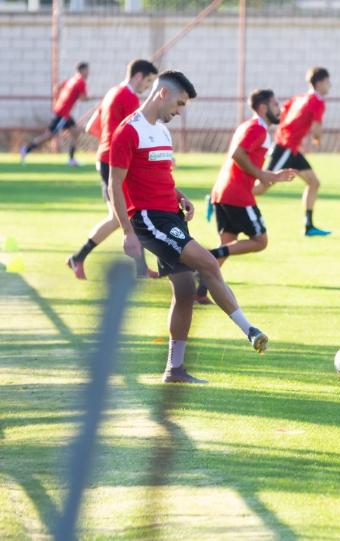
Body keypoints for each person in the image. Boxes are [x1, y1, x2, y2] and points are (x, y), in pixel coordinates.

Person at [108, 70, 269, 384]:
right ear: (163, 94)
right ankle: (250, 330)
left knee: (183, 291)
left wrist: (180, 196)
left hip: (171, 216)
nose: (179, 112)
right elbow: (115, 185)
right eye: (179, 104)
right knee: (208, 263)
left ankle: (174, 370)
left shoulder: (163, 133)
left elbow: (160, 176)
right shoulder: (128, 132)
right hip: (150, 220)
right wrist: (128, 232)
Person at [194, 89, 296, 304]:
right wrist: (263, 174)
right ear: (263, 108)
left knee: (229, 244)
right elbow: (238, 155)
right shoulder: (258, 128)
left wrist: (271, 177)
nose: (279, 109)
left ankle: (199, 292)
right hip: (237, 194)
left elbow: (242, 160)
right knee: (260, 241)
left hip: (222, 191)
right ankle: (209, 254)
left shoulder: (248, 126)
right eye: (275, 105)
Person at [66, 59, 159, 279]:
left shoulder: (111, 93)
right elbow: (139, 131)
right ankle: (79, 257)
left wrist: (109, 144)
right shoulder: (129, 97)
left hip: (107, 158)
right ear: (138, 76)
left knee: (126, 214)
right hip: (114, 162)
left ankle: (140, 268)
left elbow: (91, 127)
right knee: (123, 216)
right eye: (148, 82)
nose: (147, 88)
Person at [251, 67, 332, 236]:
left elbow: (282, 113)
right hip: (285, 147)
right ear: (319, 83)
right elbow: (317, 129)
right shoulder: (317, 102)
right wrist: (317, 138)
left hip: (292, 148)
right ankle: (227, 199)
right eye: (327, 82)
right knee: (266, 184)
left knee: (314, 183)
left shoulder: (300, 97)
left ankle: (309, 226)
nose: (329, 85)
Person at [21, 62, 90, 166]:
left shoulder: (71, 79)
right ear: (82, 70)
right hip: (63, 115)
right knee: (48, 136)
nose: (88, 73)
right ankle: (26, 149)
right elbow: (82, 98)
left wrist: (60, 99)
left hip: (64, 113)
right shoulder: (80, 82)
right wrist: (95, 98)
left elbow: (56, 87)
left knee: (75, 132)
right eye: (87, 70)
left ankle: (71, 160)